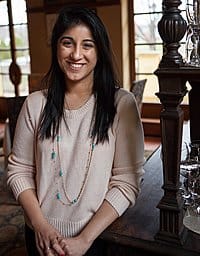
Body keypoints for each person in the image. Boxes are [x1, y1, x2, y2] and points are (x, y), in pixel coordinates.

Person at [7, 5, 145, 256]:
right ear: (56, 47)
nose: (76, 54)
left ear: (99, 51)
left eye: (88, 45)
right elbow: (19, 170)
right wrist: (40, 225)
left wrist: (84, 239)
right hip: (39, 236)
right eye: (67, 43)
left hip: (96, 238)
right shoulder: (35, 104)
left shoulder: (121, 104)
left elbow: (126, 182)